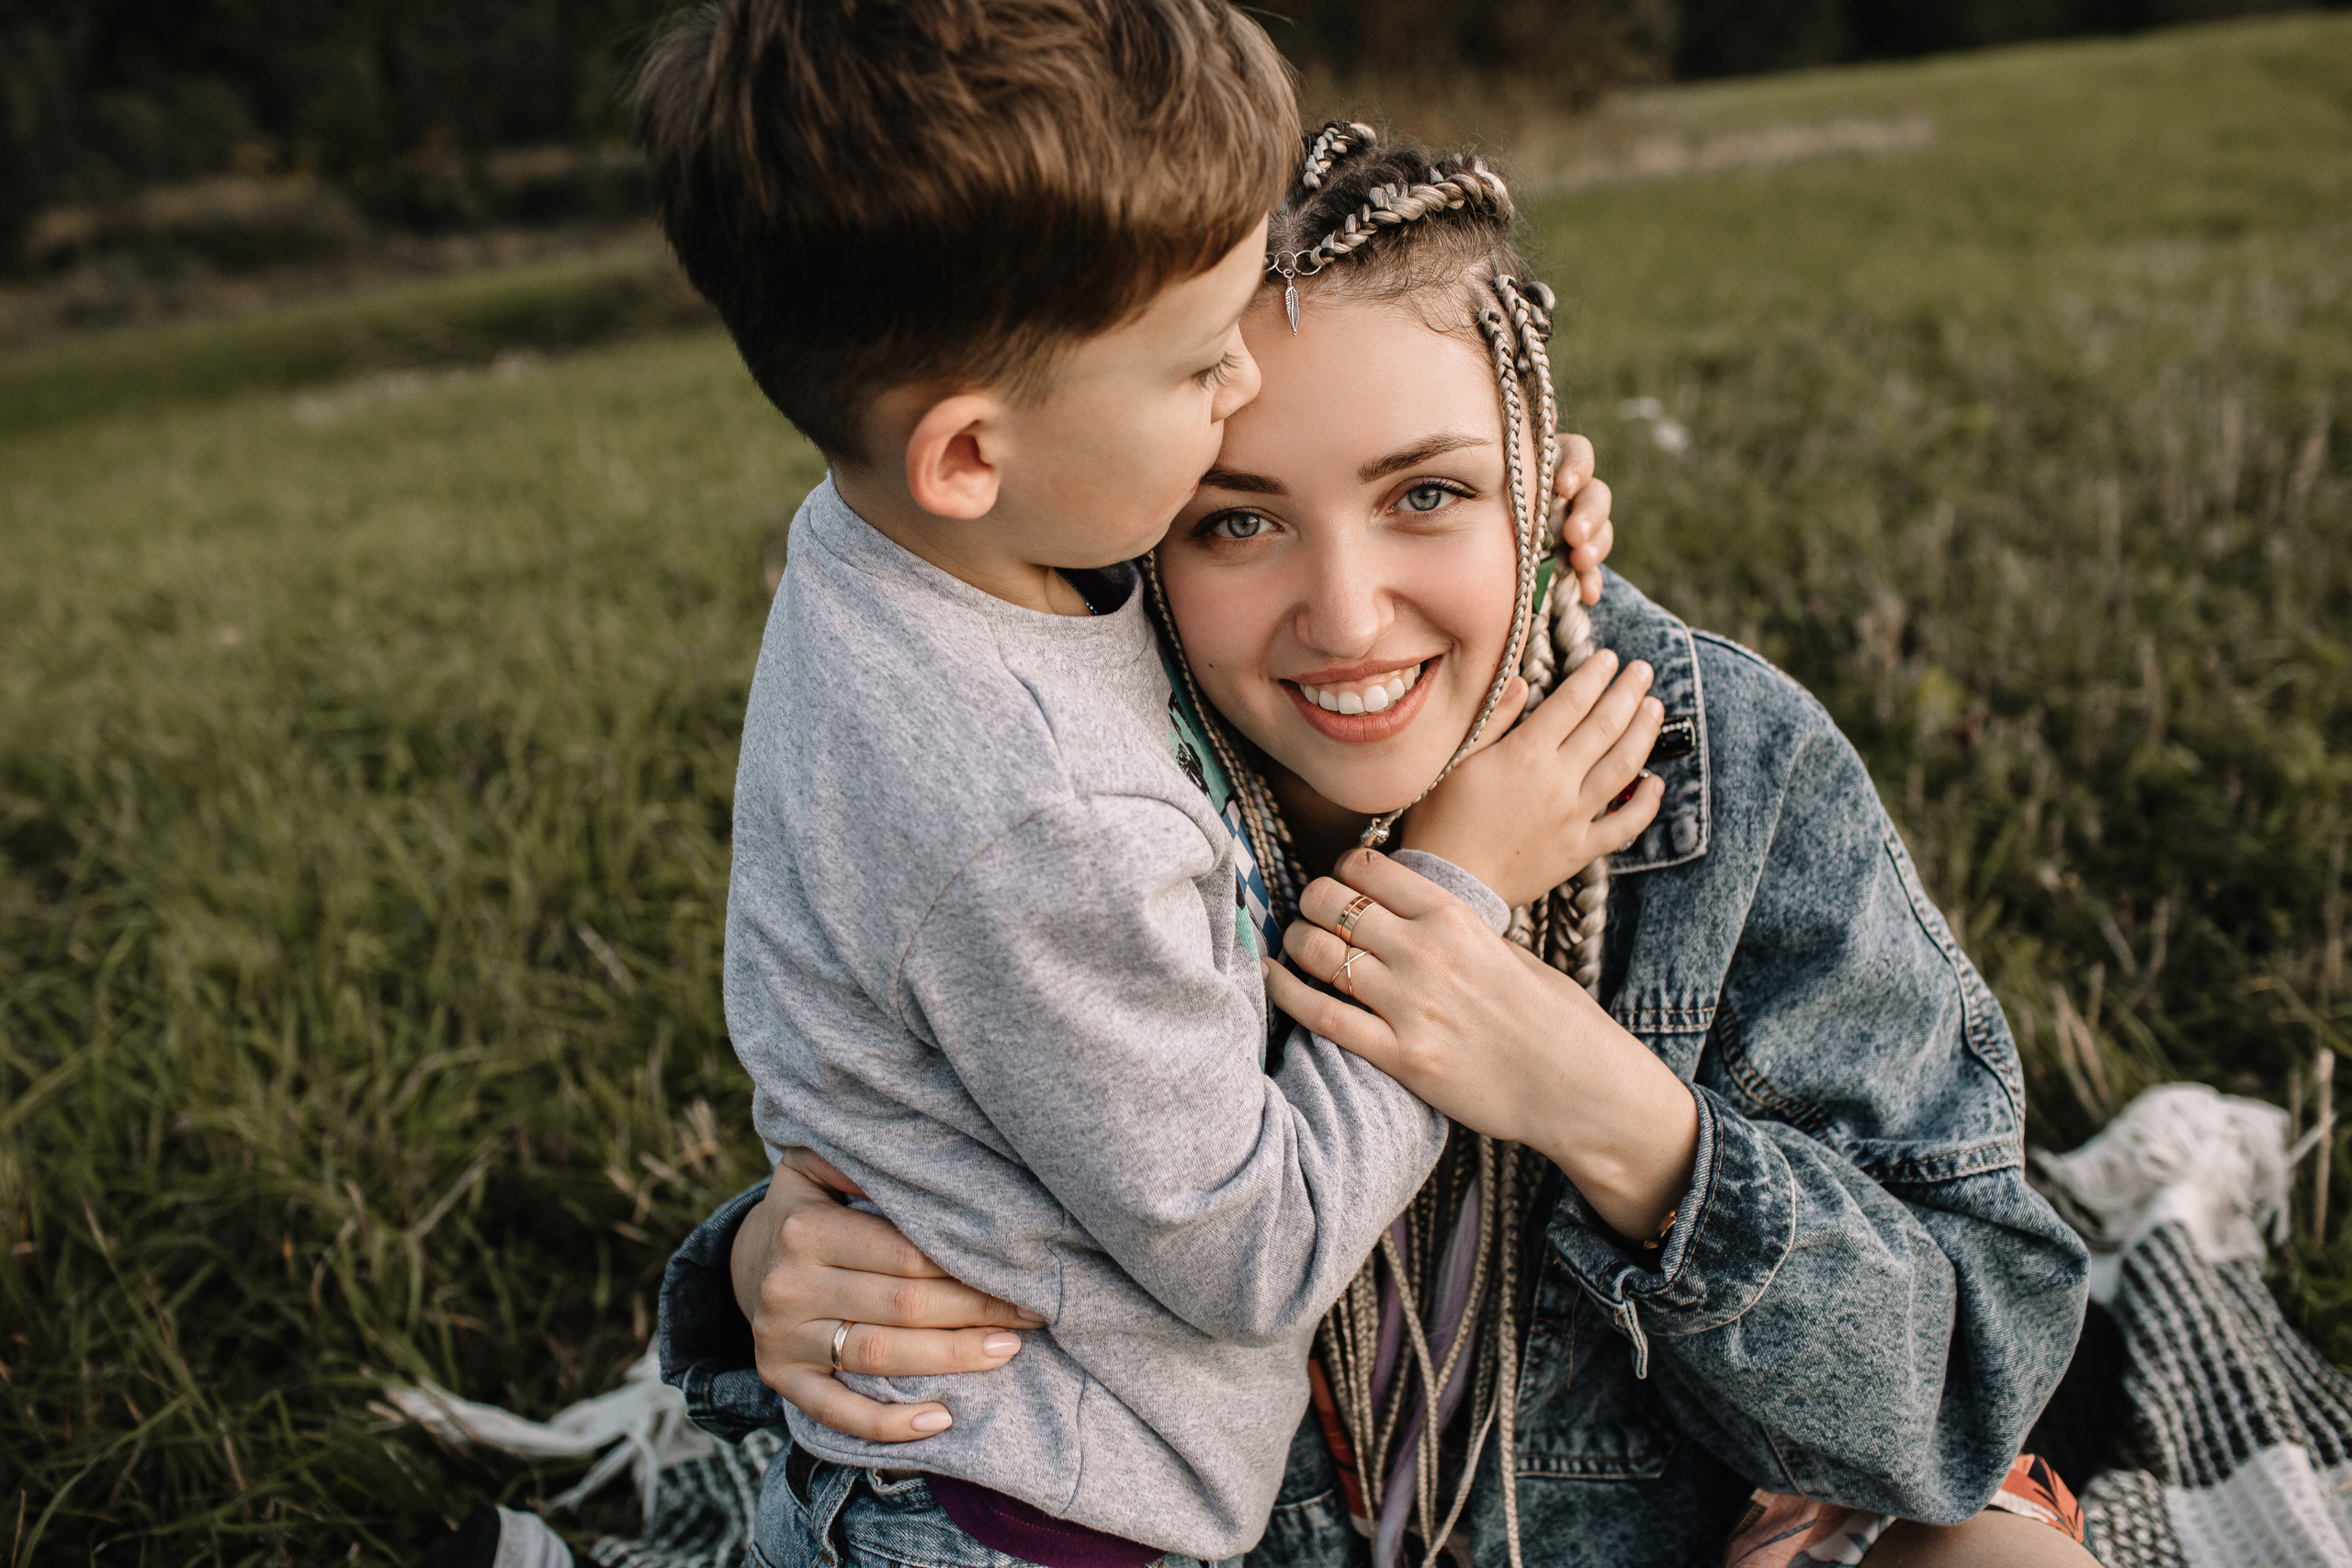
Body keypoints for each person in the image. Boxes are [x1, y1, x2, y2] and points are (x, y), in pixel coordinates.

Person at [664, 124, 2098, 1568]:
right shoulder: (1085, 800)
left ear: (1545, 473)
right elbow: (1052, 1144)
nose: (1347, 618)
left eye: (1428, 494)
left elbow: (1972, 1380)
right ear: (1127, 525)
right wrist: (765, 1262)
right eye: (1238, 521)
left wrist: (1613, 1115)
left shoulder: (1716, 766)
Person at [635, 9, 1664, 1568]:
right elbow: (1251, 1248)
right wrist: (1457, 884)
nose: (1243, 375)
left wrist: (1500, 484)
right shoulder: (1054, 820)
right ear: (970, 455)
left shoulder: (903, 537)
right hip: (1019, 1519)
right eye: (1200, 365)